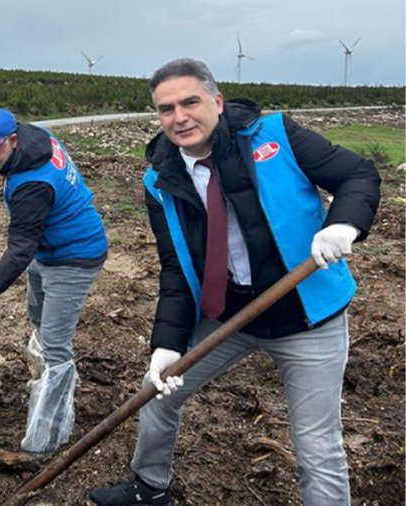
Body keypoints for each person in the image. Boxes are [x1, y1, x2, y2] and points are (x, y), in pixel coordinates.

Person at [89, 58, 380, 506]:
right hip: (230, 317)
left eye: (190, 102)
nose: (179, 117)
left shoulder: (277, 137)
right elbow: (175, 268)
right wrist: (166, 343)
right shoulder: (160, 180)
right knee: (158, 394)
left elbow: (357, 175)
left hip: (307, 315)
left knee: (317, 447)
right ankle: (149, 488)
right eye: (166, 109)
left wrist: (344, 224)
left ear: (217, 102)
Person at [0, 108, 108, 454]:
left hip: (74, 257)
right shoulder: (35, 138)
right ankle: (42, 380)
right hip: (48, 249)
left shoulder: (32, 184)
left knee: (57, 345)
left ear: (13, 141)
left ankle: (47, 437)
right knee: (38, 316)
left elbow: (19, 250)